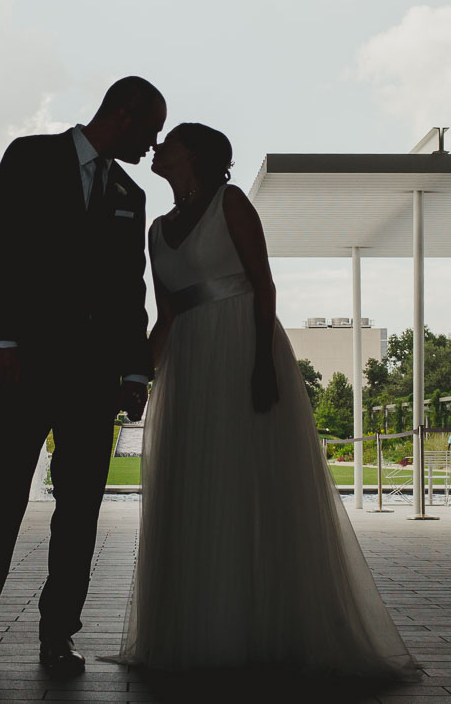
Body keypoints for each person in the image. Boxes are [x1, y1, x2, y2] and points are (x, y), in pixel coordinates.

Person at [115, 122, 415, 681]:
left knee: (248, 482)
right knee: (195, 487)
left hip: (240, 350)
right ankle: (204, 628)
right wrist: (138, 376)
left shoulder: (231, 203)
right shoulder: (156, 230)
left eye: (171, 140)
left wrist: (262, 364)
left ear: (197, 154)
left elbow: (264, 283)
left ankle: (266, 626)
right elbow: (168, 312)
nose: (158, 146)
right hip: (187, 366)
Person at [0, 77, 165, 678]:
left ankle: (58, 638)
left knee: (80, 511)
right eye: (151, 130)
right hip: (22, 367)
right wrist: (1, 337)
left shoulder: (131, 192)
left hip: (95, 380)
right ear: (124, 116)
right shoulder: (29, 156)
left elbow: (132, 286)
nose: (153, 147)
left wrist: (135, 369)